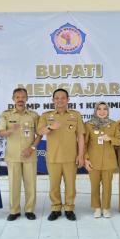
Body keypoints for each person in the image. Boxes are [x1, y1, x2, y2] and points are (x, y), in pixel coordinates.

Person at [38, 88, 85, 221]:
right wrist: (50, 127)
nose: (60, 100)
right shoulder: (46, 116)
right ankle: (56, 208)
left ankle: (69, 208)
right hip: (53, 157)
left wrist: (81, 155)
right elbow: (40, 131)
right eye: (57, 98)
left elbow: (80, 136)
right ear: (53, 100)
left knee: (70, 185)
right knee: (54, 186)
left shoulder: (75, 115)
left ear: (68, 100)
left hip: (71, 157)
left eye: (63, 98)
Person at [0, 88, 41, 221]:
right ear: (13, 99)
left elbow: (39, 134)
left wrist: (32, 148)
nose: (20, 99)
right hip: (13, 155)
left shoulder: (33, 115)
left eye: (23, 97)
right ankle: (14, 210)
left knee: (30, 184)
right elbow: (1, 133)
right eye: (18, 97)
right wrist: (10, 130)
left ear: (27, 98)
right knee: (13, 184)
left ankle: (29, 210)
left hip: (30, 154)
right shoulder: (6, 115)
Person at [84, 101, 120, 218]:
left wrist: (110, 138)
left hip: (108, 161)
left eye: (104, 109)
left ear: (108, 111)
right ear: (95, 111)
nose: (102, 111)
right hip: (93, 161)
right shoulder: (89, 125)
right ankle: (96, 208)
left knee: (107, 186)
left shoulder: (114, 124)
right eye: (99, 109)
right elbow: (84, 144)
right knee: (94, 186)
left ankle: (105, 208)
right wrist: (86, 159)